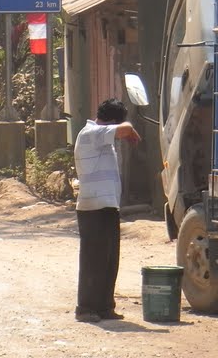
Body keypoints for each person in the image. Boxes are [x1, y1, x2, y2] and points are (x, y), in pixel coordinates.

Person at [73, 97, 141, 322]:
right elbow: (124, 129)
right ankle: (85, 308)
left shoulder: (102, 139)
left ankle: (104, 307)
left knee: (109, 259)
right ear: (110, 121)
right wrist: (129, 128)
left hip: (107, 205)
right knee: (93, 259)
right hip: (93, 208)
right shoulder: (91, 134)